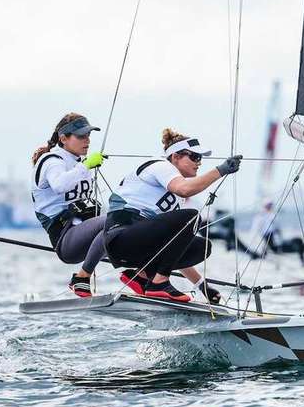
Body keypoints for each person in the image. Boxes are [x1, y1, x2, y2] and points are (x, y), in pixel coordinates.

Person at [104, 128, 242, 303]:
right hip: (122, 238)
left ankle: (141, 278)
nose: (199, 163)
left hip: (139, 244)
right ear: (175, 157)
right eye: (194, 157)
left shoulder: (174, 196)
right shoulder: (161, 166)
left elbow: (175, 246)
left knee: (201, 246)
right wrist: (220, 170)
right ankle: (158, 284)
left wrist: (202, 286)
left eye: (200, 158)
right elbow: (185, 189)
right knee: (192, 217)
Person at [31, 113, 107, 298]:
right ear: (63, 139)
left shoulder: (78, 163)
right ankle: (81, 280)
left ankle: (145, 280)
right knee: (113, 221)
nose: (87, 140)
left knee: (134, 225)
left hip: (84, 235)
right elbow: (59, 185)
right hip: (65, 239)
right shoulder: (51, 161)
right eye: (81, 136)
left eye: (89, 135)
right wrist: (86, 166)